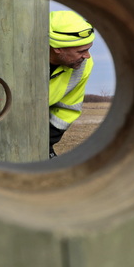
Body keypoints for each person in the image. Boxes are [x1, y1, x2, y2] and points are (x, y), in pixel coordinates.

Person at [49, 10, 95, 158]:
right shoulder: (18, 59)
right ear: (57, 48)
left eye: (88, 49)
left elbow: (68, 108)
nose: (87, 56)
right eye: (81, 51)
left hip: (41, 134)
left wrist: (45, 142)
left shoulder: (84, 65)